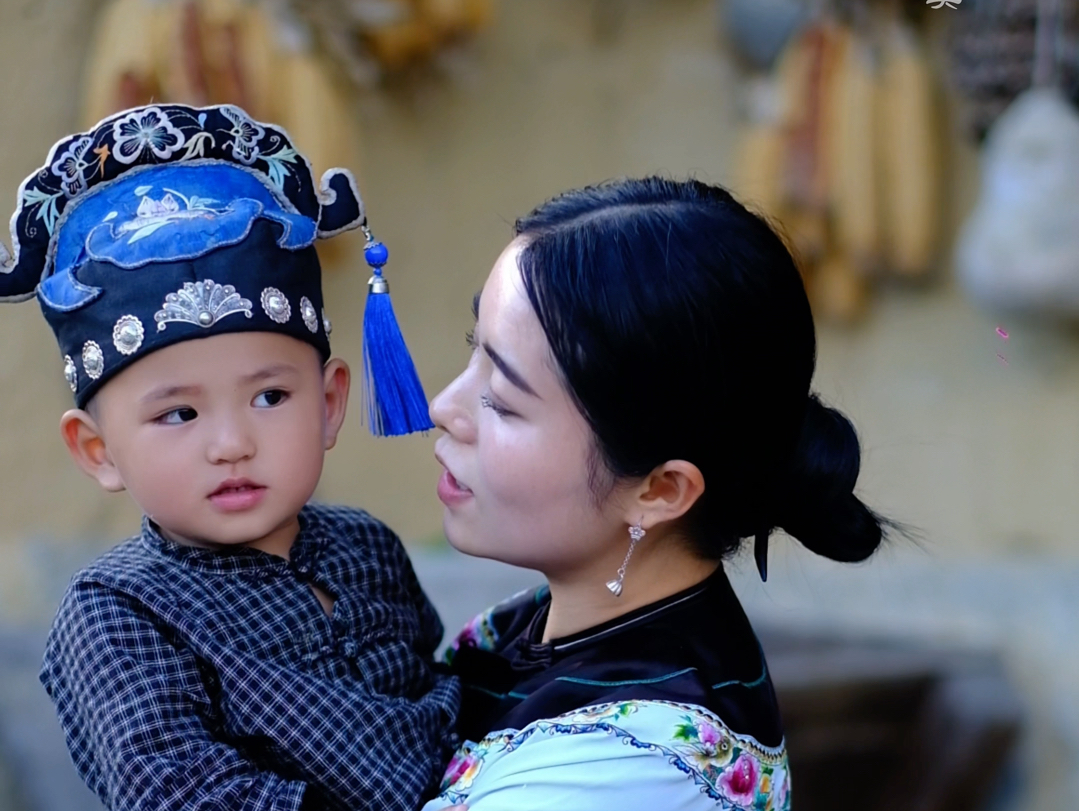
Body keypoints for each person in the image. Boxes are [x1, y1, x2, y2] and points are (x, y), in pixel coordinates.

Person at [0, 103, 459, 810]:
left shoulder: (368, 547)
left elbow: (441, 696)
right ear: (98, 450)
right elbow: (181, 791)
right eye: (178, 413)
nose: (232, 443)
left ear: (330, 403)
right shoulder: (119, 611)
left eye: (270, 397)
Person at [424, 177, 900, 810]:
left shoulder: (624, 766)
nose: (444, 408)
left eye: (504, 401)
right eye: (473, 351)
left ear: (659, 490)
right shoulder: (561, 624)